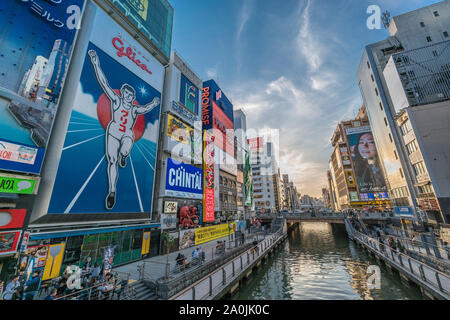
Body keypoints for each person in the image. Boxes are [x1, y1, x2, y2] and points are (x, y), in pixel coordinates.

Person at [88, 49, 160, 210]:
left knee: (128, 142)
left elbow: (145, 108)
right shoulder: (116, 100)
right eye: (125, 93)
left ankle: (124, 155)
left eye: (129, 94)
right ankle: (112, 191)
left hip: (127, 132)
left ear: (132, 97)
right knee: (111, 161)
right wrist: (95, 62)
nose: (126, 95)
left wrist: (155, 104)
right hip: (113, 131)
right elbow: (104, 83)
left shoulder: (134, 109)